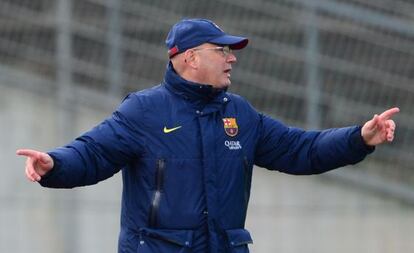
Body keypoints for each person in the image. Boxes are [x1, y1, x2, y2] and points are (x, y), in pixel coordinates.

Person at [17, 18, 399, 253]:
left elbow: (302, 150)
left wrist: (358, 138)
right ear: (190, 58)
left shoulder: (240, 114)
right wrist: (55, 164)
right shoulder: (144, 110)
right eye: (222, 50)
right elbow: (92, 154)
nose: (232, 58)